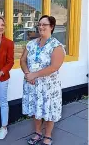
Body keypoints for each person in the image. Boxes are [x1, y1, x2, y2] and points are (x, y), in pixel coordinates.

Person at [20, 15, 65, 145]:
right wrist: (28, 74)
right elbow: (23, 60)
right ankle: (38, 132)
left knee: (49, 110)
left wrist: (35, 75)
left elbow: (54, 67)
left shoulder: (56, 46)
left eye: (44, 24)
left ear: (51, 27)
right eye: (39, 24)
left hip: (49, 87)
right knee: (35, 109)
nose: (41, 27)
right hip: (32, 84)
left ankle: (48, 135)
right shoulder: (31, 44)